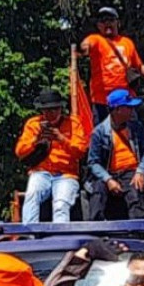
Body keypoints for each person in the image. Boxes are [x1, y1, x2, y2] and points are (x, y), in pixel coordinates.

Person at [15, 89, 89, 224]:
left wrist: (61, 138)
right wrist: (36, 140)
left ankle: (60, 240)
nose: (51, 113)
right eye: (47, 110)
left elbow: (81, 152)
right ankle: (29, 236)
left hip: (66, 175)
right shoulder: (33, 124)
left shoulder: (74, 124)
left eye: (54, 109)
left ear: (61, 108)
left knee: (60, 204)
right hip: (41, 172)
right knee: (32, 195)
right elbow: (19, 151)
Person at [84, 89, 144, 221]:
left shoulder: (136, 127)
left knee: (135, 193)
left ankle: (137, 233)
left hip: (131, 172)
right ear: (117, 109)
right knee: (98, 192)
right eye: (128, 107)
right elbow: (93, 162)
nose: (132, 110)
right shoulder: (99, 132)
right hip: (107, 173)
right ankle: (95, 233)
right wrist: (108, 179)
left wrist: (141, 171)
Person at [79, 7, 144, 124]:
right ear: (98, 25)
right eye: (103, 21)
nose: (107, 23)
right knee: (103, 137)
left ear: (118, 23)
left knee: (132, 135)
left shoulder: (127, 43)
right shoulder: (96, 39)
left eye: (111, 20)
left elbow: (140, 67)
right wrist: (84, 48)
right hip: (102, 101)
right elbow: (87, 44)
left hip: (125, 101)